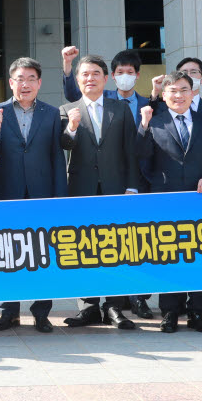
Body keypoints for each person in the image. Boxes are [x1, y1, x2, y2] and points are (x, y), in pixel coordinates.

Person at [136, 72, 202, 334]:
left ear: (192, 92)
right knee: (169, 257)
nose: (178, 95)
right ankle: (170, 312)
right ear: (164, 95)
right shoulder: (153, 121)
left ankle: (198, 311)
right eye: (173, 91)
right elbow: (140, 158)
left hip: (201, 200)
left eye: (184, 90)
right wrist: (142, 127)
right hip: (166, 201)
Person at [0, 57, 66, 333]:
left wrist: (58, 197)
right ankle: (9, 312)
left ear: (40, 83)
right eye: (20, 78)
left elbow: (56, 156)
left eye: (31, 78)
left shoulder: (52, 113)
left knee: (43, 254)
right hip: (8, 193)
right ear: (11, 82)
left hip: (42, 193)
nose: (26, 84)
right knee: (9, 253)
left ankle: (41, 313)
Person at [59, 55, 140, 331]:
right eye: (84, 74)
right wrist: (71, 125)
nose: (90, 78)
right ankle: (89, 307)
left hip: (116, 189)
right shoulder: (67, 109)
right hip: (81, 190)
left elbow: (131, 150)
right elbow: (64, 145)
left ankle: (115, 306)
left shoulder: (121, 109)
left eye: (96, 73)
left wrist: (132, 185)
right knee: (83, 247)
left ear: (106, 79)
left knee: (116, 246)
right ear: (77, 79)